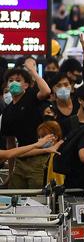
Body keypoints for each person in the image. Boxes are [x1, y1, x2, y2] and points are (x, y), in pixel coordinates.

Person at [3, 59, 53, 188]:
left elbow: (46, 91)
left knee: (37, 198)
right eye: (11, 80)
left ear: (26, 85)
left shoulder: (31, 96)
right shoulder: (7, 111)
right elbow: (10, 144)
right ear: (7, 86)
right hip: (20, 159)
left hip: (40, 156)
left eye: (18, 80)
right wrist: (10, 172)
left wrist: (32, 71)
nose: (14, 82)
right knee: (17, 197)